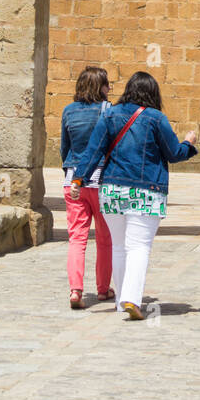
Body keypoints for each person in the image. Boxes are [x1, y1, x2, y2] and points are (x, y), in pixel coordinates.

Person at [69, 71, 197, 320]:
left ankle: (121, 301)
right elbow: (173, 153)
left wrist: (78, 179)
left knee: (119, 246)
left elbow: (92, 151)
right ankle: (131, 298)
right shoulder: (156, 118)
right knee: (138, 246)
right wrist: (189, 144)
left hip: (112, 190)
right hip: (146, 191)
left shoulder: (109, 115)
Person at [60, 66, 114, 309]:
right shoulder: (108, 110)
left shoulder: (68, 111)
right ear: (98, 87)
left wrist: (70, 172)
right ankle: (103, 289)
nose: (110, 88)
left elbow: (64, 148)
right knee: (104, 239)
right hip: (101, 180)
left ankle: (75, 290)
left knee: (77, 238)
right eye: (106, 84)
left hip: (74, 181)